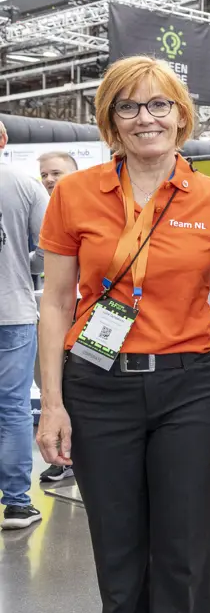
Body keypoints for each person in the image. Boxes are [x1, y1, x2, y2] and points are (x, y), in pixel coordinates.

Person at [34, 55, 210, 613]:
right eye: (128, 106)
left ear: (182, 115)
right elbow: (55, 303)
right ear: (110, 120)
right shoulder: (74, 194)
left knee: (183, 559)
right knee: (119, 557)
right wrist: (52, 402)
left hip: (190, 387)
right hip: (98, 387)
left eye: (159, 105)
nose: (146, 118)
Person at [0, 120, 50, 531]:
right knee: (13, 408)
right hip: (11, 310)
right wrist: (22, 262)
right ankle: (16, 504)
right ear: (3, 140)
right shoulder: (25, 186)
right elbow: (50, 251)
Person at [35, 150, 79, 484]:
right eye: (45, 175)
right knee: (49, 381)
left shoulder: (88, 207)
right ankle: (65, 455)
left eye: (56, 173)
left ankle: (74, 456)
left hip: (89, 314)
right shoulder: (47, 209)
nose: (50, 180)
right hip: (55, 310)